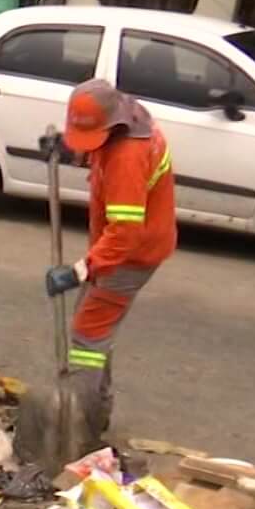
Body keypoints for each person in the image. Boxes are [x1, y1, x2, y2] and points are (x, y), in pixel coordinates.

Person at [44, 78, 177, 434]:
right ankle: (96, 410)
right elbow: (102, 151)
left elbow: (124, 234)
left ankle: (78, 424)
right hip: (130, 247)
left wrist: (79, 271)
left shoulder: (129, 156)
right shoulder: (127, 121)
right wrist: (73, 151)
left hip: (131, 255)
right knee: (95, 328)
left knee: (88, 334)